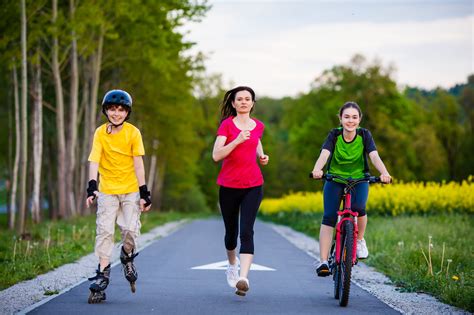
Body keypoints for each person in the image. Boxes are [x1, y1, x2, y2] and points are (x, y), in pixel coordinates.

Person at [85, 89, 152, 303]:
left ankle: (126, 255)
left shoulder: (133, 133)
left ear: (127, 112)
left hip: (130, 189)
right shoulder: (99, 133)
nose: (116, 113)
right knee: (104, 230)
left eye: (121, 110)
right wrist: (91, 185)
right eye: (112, 109)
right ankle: (103, 274)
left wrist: (144, 192)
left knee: (130, 230)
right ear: (106, 110)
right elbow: (94, 160)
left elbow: (138, 163)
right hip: (107, 190)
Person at [310, 101, 391, 277]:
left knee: (359, 208)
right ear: (340, 118)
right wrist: (318, 169)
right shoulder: (334, 135)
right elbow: (325, 153)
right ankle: (323, 260)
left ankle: (359, 240)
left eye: (354, 117)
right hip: (335, 178)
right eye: (346, 117)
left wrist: (384, 173)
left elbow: (374, 156)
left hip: (359, 178)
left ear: (359, 119)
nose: (350, 121)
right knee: (329, 216)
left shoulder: (364, 135)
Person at [212, 86, 269, 296]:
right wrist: (236, 141)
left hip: (253, 185)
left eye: (248, 99)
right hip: (228, 186)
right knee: (231, 235)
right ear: (234, 104)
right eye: (240, 99)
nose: (244, 102)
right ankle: (232, 265)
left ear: (253, 103)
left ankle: (243, 278)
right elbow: (216, 155)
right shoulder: (226, 126)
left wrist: (262, 156)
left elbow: (256, 141)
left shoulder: (259, 126)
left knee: (247, 230)